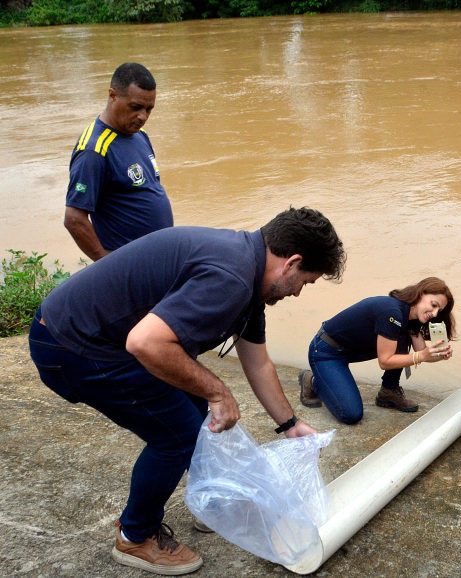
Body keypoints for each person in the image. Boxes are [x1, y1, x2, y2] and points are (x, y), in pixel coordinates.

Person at [28, 207, 345, 575]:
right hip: (73, 346)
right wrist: (218, 392)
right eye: (306, 282)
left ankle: (212, 502)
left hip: (97, 336)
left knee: (197, 417)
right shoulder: (231, 277)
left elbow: (258, 364)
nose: (298, 293)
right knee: (177, 436)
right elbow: (147, 343)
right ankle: (135, 536)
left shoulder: (247, 272)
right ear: (292, 263)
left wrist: (290, 424)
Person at [298, 277, 455, 424]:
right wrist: (421, 356)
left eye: (439, 310)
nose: (434, 314)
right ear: (420, 293)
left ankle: (389, 391)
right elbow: (385, 361)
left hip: (353, 349)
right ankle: (312, 380)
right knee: (351, 414)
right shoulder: (391, 312)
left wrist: (440, 354)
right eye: (433, 305)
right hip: (326, 351)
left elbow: (422, 352)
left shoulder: (411, 318)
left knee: (403, 334)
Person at [64, 62, 173, 261]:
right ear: (113, 95)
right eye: (136, 107)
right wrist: (108, 264)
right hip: (131, 265)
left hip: (159, 256)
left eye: (149, 109)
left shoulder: (140, 135)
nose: (143, 116)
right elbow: (74, 219)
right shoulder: (94, 150)